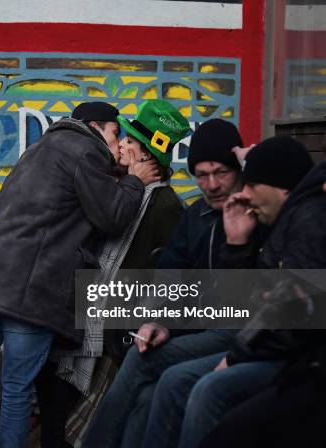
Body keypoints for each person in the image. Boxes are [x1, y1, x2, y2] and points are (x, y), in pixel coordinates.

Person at [0, 101, 161, 448]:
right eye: (116, 133)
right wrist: (133, 181)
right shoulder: (88, 151)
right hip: (32, 294)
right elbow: (113, 216)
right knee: (16, 392)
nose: (119, 144)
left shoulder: (39, 149)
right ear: (96, 126)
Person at [140, 135, 319, 448]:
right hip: (260, 343)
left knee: (206, 390)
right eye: (201, 175)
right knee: (153, 382)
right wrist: (236, 244)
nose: (244, 194)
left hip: (297, 360)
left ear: (283, 187)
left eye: (224, 173)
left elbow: (291, 318)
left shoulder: (309, 219)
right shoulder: (275, 217)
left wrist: (236, 357)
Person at [82, 118, 246, 448]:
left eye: (221, 173)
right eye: (202, 175)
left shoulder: (254, 210)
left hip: (239, 333)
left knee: (145, 363)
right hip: (195, 331)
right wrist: (157, 321)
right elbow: (171, 273)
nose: (212, 184)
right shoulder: (196, 216)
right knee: (145, 396)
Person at [37, 99, 188, 448]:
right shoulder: (118, 187)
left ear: (148, 156)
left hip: (114, 336)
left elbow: (167, 279)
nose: (120, 144)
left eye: (130, 142)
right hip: (82, 322)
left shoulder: (165, 206)